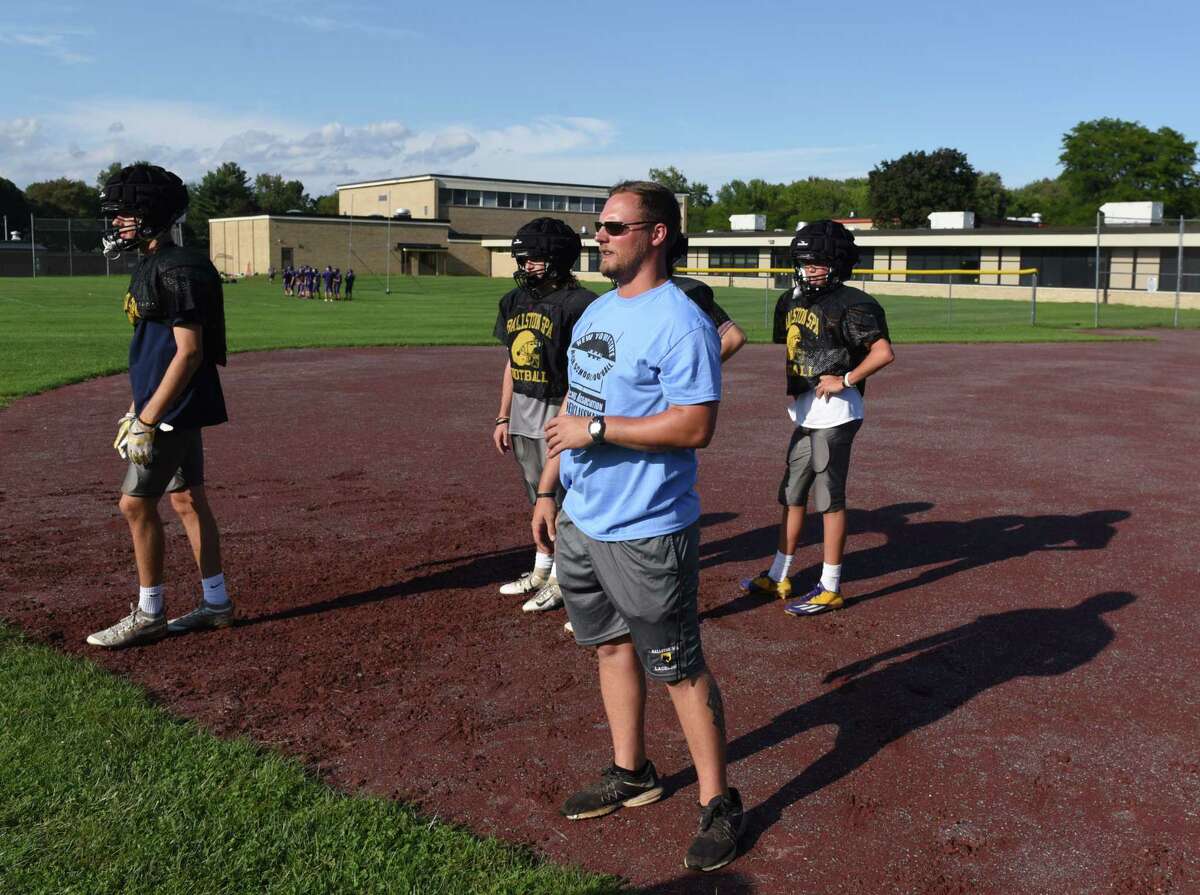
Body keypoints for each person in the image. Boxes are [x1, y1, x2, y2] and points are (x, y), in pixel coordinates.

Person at [532, 180, 742, 872]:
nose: (600, 237)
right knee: (609, 648)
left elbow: (695, 424)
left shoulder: (680, 321)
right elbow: (575, 399)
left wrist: (597, 430)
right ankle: (633, 771)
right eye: (599, 227)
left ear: (657, 234)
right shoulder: (596, 312)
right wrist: (548, 486)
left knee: (678, 666)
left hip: (648, 526)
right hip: (583, 519)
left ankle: (719, 799)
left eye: (615, 226)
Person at [87, 163, 235, 649]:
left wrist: (149, 419)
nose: (116, 224)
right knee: (187, 499)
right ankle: (215, 604)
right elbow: (155, 351)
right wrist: (136, 406)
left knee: (134, 503)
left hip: (174, 408)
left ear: (150, 216)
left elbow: (189, 350)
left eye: (124, 215)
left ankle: (150, 612)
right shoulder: (153, 264)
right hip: (165, 405)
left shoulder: (177, 266)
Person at [741, 220, 894, 615]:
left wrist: (846, 378)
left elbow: (883, 353)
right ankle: (779, 575)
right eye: (804, 262)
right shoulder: (792, 300)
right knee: (792, 492)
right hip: (807, 411)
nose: (808, 270)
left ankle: (830, 585)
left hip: (837, 413)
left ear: (837, 264)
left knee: (828, 498)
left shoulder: (854, 304)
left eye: (817, 264)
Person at [492, 218, 597, 612]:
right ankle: (542, 567)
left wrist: (569, 417)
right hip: (522, 408)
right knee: (537, 493)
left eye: (533, 259)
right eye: (522, 259)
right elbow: (510, 361)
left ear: (558, 258)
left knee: (564, 498)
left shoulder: (581, 304)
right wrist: (503, 416)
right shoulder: (514, 301)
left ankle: (562, 579)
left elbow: (583, 372)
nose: (526, 267)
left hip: (559, 408)